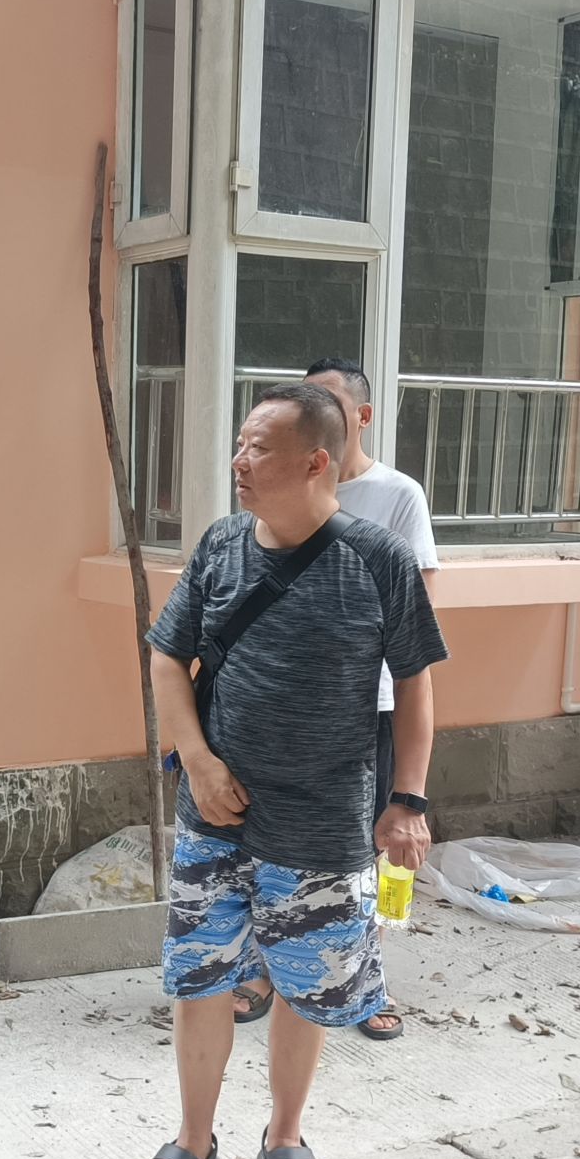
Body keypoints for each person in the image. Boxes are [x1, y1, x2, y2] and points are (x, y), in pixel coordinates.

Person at [117, 383, 446, 1159]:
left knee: (309, 990)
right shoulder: (222, 545)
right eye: (240, 443)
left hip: (324, 823)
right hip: (215, 819)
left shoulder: (377, 559)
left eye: (258, 448)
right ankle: (193, 1142)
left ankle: (286, 1137)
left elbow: (415, 685)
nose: (239, 461)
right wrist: (196, 761)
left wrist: (408, 799)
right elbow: (167, 657)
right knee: (201, 979)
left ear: (315, 462)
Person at [226, 357, 440, 1043]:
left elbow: (416, 616)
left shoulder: (397, 495)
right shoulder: (264, 500)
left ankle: (365, 979)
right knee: (266, 843)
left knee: (365, 848)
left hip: (366, 705)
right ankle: (266, 969)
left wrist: (413, 793)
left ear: (361, 418)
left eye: (326, 403)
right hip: (278, 710)